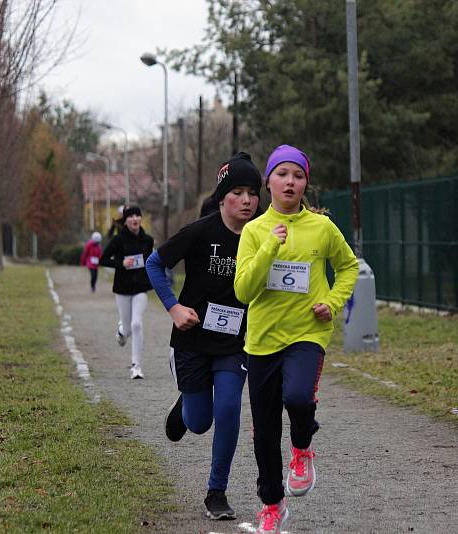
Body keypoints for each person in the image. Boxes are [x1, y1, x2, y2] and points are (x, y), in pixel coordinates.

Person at [234, 144, 359, 534]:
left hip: (307, 333)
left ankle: (303, 447)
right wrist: (271, 244)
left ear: (306, 183)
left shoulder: (322, 228)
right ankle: (272, 505)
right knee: (265, 431)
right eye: (283, 174)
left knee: (299, 397)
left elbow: (349, 266)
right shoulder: (254, 231)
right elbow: (244, 291)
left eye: (298, 176)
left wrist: (332, 301)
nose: (291, 182)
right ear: (268, 181)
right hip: (262, 341)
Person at [145, 152, 262, 521]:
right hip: (193, 339)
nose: (246, 200)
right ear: (223, 195)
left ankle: (217, 491)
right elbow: (154, 263)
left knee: (228, 409)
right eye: (238, 192)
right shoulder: (201, 231)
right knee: (199, 422)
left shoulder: (262, 235)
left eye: (252, 193)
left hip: (234, 343)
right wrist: (174, 308)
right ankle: (185, 407)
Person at [100, 206, 154, 379]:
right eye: (131, 216)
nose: (135, 219)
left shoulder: (148, 240)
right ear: (126, 220)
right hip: (122, 289)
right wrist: (122, 263)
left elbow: (151, 261)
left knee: (137, 324)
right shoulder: (118, 240)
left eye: (138, 215)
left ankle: (136, 367)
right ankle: (122, 332)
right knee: (128, 328)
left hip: (140, 288)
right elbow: (103, 259)